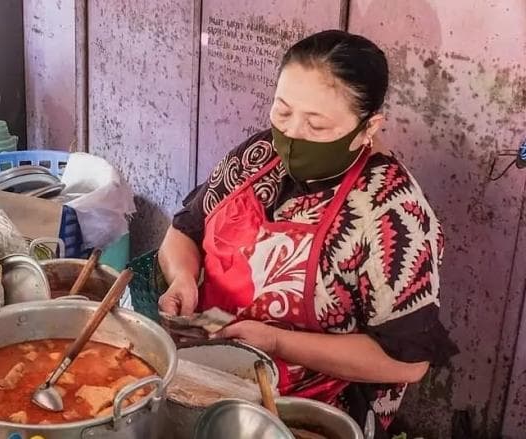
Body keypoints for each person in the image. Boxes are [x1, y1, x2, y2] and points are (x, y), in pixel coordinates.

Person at [158, 30, 458, 435]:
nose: (293, 136)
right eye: (282, 113)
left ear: (369, 127)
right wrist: (182, 279)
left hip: (312, 405)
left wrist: (278, 343)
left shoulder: (391, 210)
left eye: (317, 125)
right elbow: (184, 232)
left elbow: (407, 362)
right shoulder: (258, 156)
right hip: (205, 365)